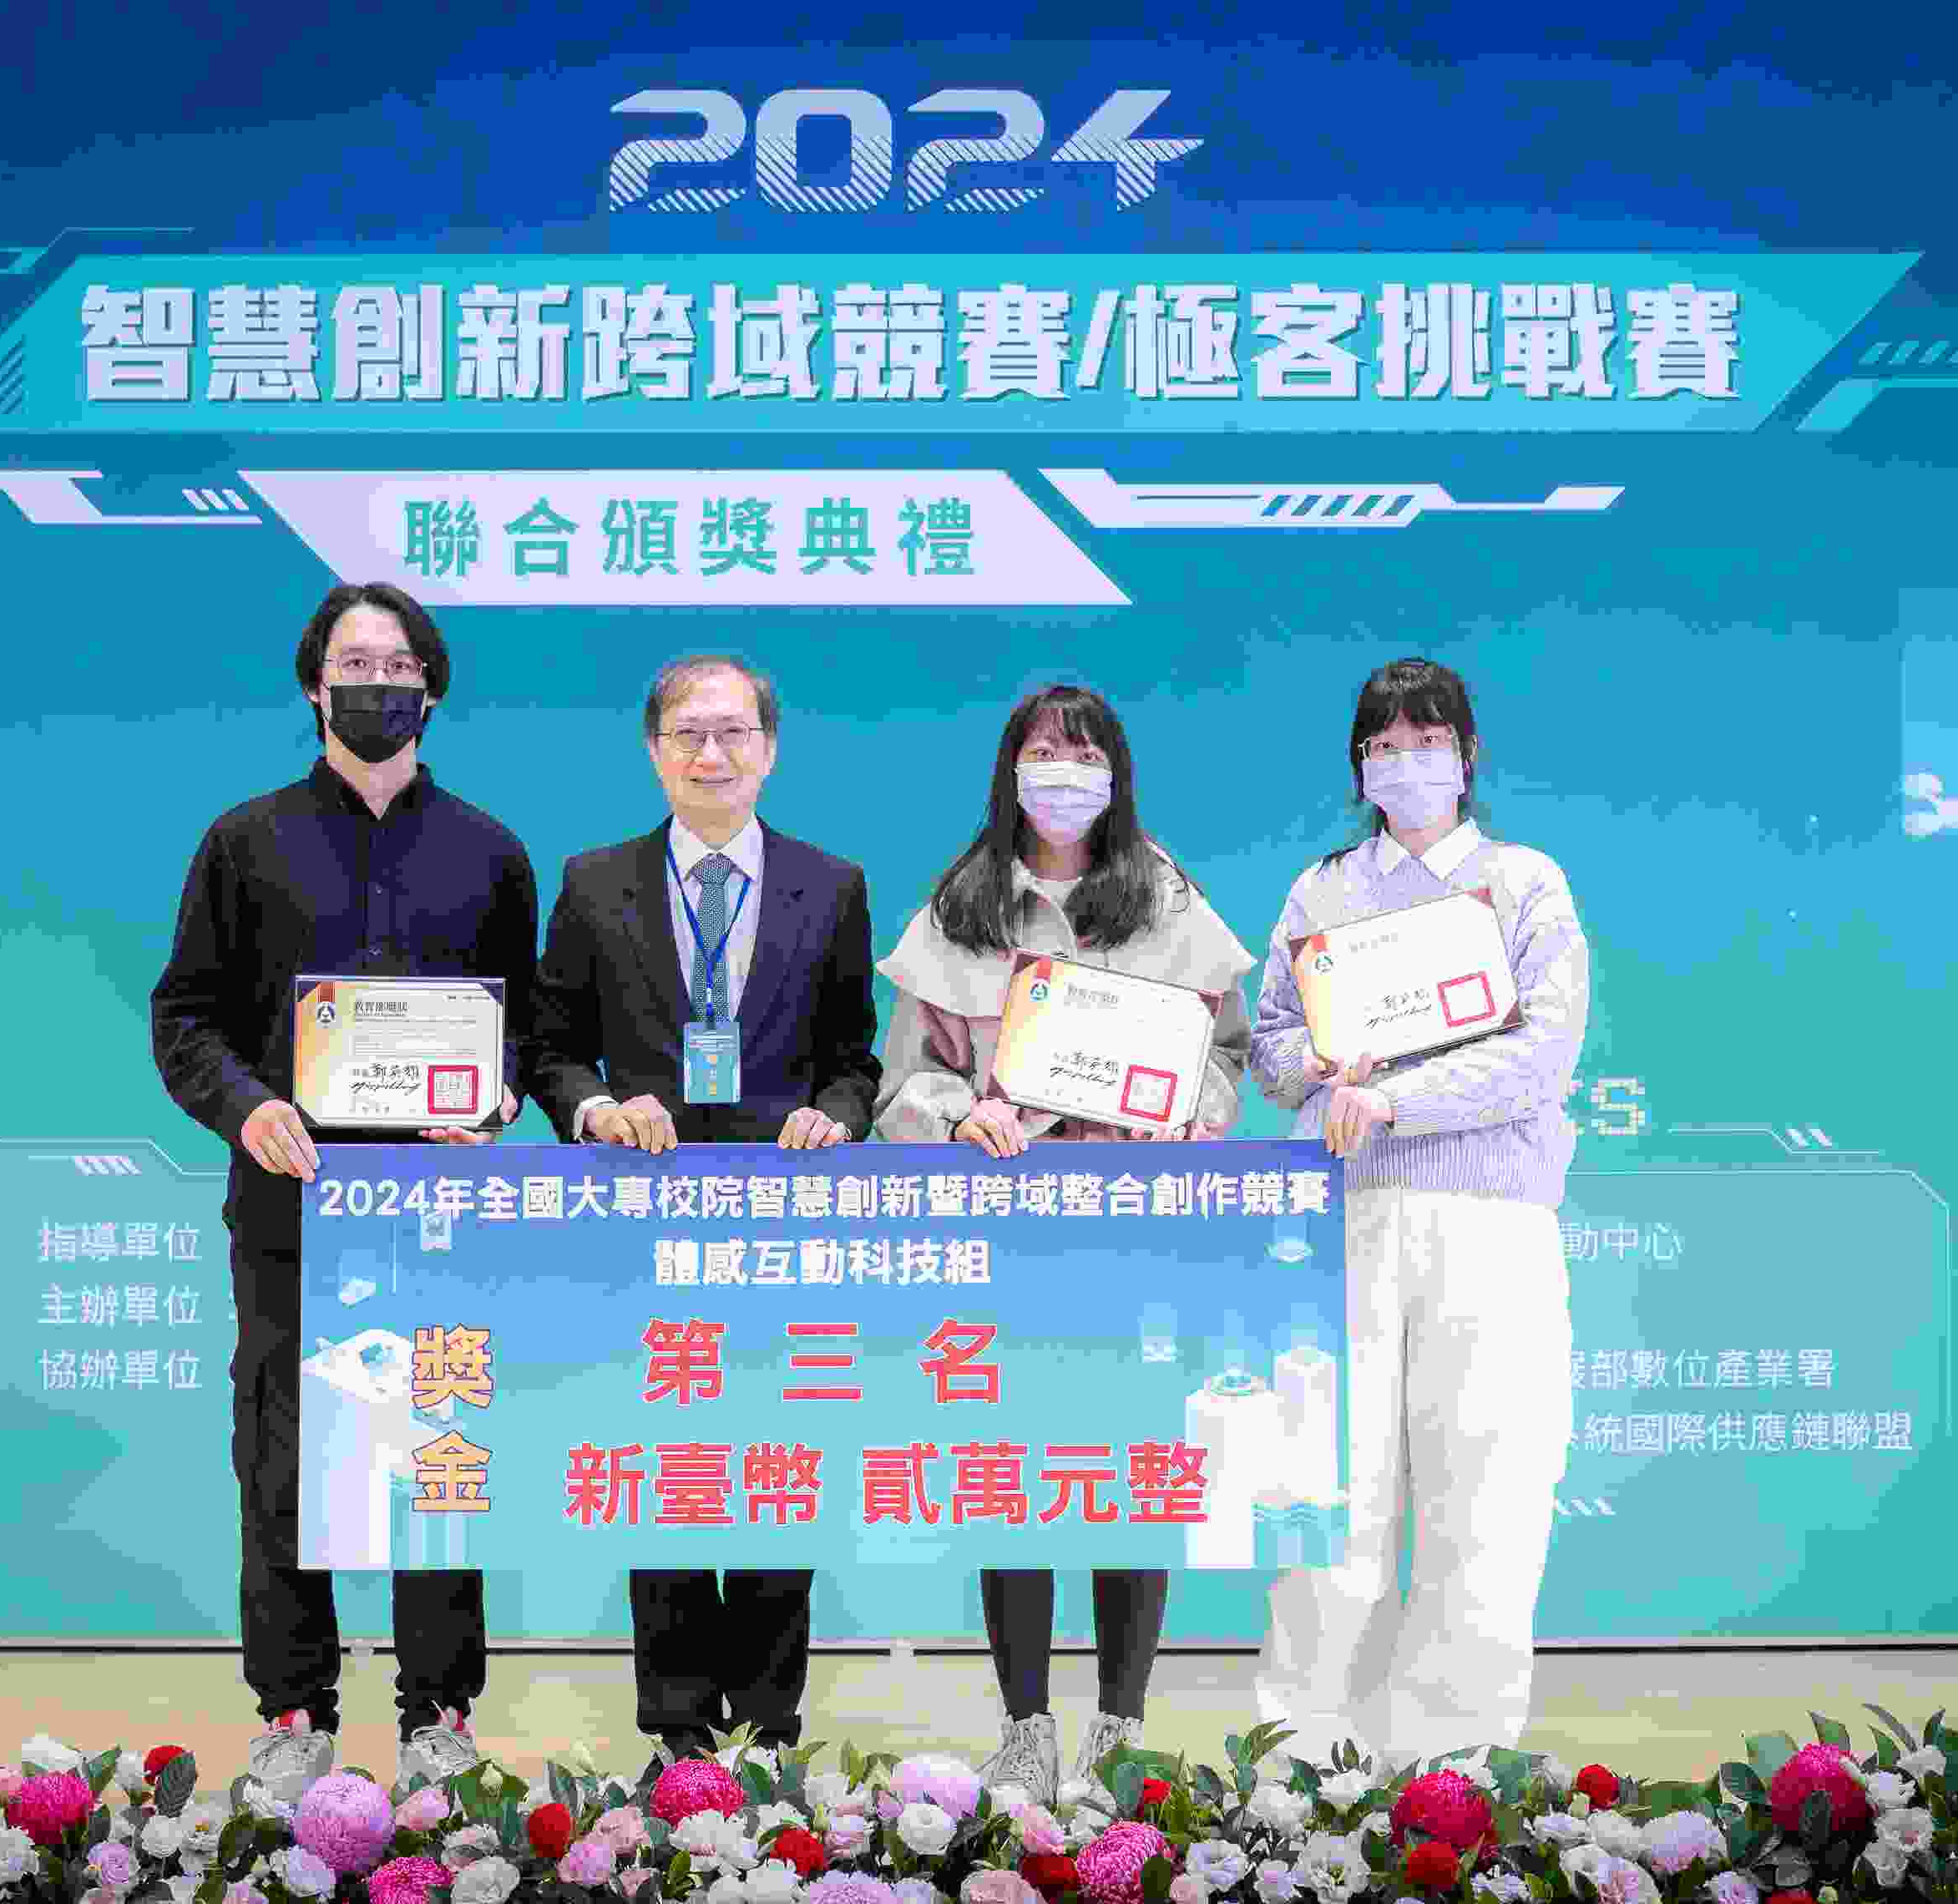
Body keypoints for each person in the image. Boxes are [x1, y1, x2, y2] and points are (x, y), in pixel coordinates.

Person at [149, 582, 539, 1802]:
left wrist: (495, 1101)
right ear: (314, 686)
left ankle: (440, 1714)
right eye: (355, 664)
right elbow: (185, 1018)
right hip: (291, 1208)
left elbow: (528, 1027)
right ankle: (292, 1709)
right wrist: (246, 1107)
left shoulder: (490, 852)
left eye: (399, 664)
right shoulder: (243, 841)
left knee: (439, 1456)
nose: (378, 684)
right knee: (282, 1454)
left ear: (432, 688)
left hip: (438, 1214)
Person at [871, 684, 1255, 1804]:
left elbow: (1226, 1053)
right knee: (1015, 1475)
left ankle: (1119, 1727)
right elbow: (905, 1081)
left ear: (1115, 777)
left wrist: (1192, 1112)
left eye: (1086, 757)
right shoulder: (962, 904)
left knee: (1134, 1472)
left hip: (1140, 1232)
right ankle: (1026, 1727)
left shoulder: (1168, 897)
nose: (1064, 775)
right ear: (1011, 770)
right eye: (1045, 753)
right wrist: (960, 1115)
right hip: (1010, 1231)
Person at [521, 653, 883, 1791]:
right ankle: (677, 1726)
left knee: (779, 1460)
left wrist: (835, 1117)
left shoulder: (832, 885)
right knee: (667, 1462)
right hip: (646, 1215)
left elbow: (854, 1056)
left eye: (733, 733)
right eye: (687, 733)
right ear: (654, 751)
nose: (711, 754)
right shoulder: (594, 884)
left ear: (769, 749)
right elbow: (549, 1048)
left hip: (783, 1215)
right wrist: (592, 1109)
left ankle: (770, 1724)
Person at [1245, 657, 1589, 1770]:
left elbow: (1544, 1050)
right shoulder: (1323, 891)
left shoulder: (1525, 882)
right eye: (1383, 746)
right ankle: (1306, 1758)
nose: (1406, 762)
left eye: (1427, 741)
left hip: (1490, 1217)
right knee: (1332, 1492)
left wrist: (1397, 1097)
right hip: (1345, 1215)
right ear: (1359, 765)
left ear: (1467, 755)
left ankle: (1453, 1764)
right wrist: (1321, 1066)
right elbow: (1270, 1046)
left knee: (1485, 1487)